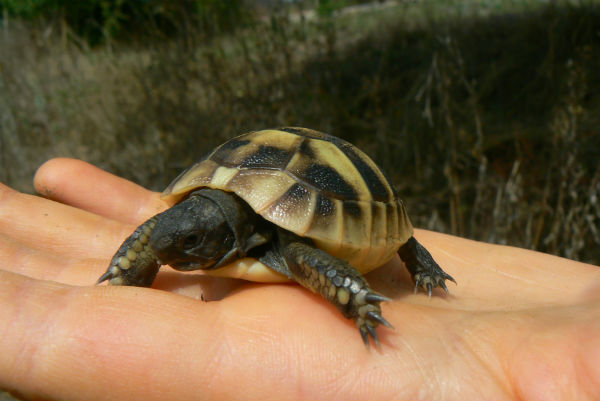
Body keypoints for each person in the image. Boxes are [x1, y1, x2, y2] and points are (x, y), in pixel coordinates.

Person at [0, 158, 598, 401]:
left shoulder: (289, 246)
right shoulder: (189, 227)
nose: (175, 254)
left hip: (332, 198)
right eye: (178, 243)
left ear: (219, 236)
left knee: (324, 262)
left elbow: (315, 261)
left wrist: (357, 301)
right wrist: (126, 273)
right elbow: (157, 238)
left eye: (189, 246)